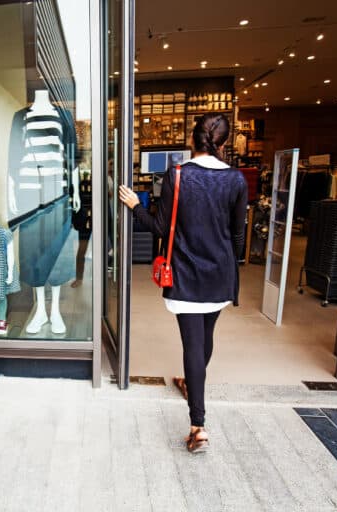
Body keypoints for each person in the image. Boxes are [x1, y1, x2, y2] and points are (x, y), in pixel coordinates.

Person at [119, 113, 248, 453]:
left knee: (193, 344)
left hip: (187, 274)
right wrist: (229, 267)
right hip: (220, 274)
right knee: (205, 337)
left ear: (194, 140)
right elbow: (238, 235)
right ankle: (193, 382)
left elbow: (160, 228)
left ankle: (198, 426)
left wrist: (135, 205)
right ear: (224, 142)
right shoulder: (236, 179)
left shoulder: (177, 175)